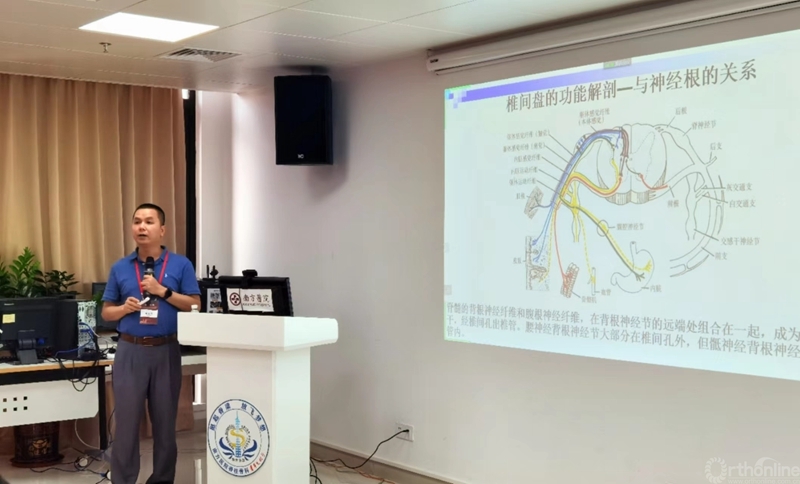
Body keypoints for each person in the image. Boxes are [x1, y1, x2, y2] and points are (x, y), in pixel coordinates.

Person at [101, 203, 200, 484]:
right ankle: (123, 480)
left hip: (165, 350)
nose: (141, 227)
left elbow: (195, 305)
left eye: (148, 221)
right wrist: (124, 308)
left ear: (162, 229)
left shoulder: (181, 265)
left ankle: (162, 480)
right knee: (126, 425)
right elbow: (106, 312)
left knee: (165, 425)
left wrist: (163, 291)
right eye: (137, 221)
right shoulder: (120, 267)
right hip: (130, 351)